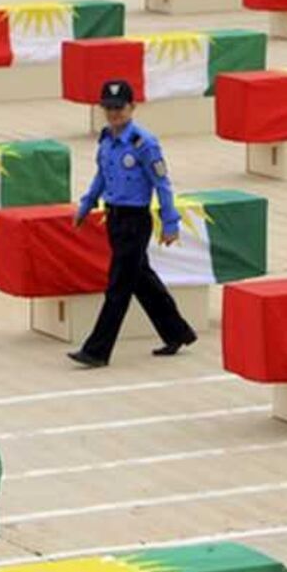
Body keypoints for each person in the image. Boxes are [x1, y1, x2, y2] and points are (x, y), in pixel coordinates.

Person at [66, 79, 198, 369]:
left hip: (135, 221)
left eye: (119, 108)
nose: (114, 113)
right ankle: (177, 331)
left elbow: (162, 184)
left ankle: (97, 350)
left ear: (132, 107)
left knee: (118, 287)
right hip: (114, 217)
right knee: (142, 280)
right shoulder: (106, 140)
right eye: (109, 108)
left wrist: (170, 222)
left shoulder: (144, 143)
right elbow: (101, 176)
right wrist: (87, 205)